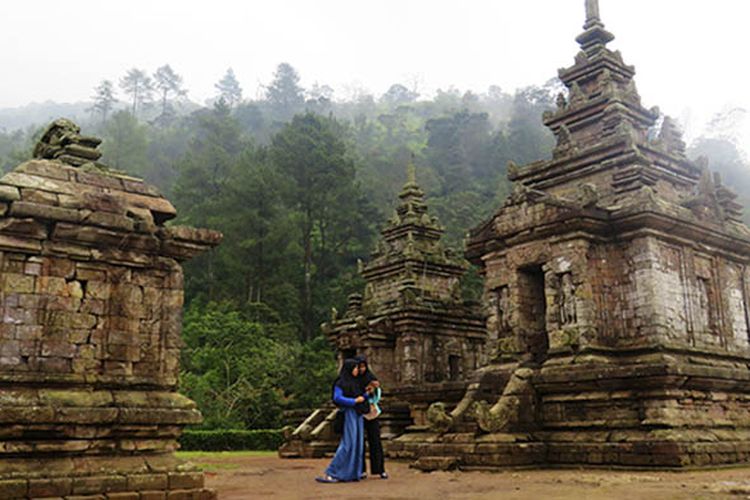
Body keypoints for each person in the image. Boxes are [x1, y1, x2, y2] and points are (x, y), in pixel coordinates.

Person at [316, 359, 367, 483]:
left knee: (358, 444)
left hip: (358, 413)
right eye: (355, 368)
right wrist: (354, 401)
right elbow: (337, 398)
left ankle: (353, 473)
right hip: (349, 413)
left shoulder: (355, 382)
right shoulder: (341, 382)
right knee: (348, 444)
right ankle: (332, 472)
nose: (357, 370)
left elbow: (361, 396)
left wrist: (367, 394)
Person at [355, 355, 388, 479]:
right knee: (360, 443)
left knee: (375, 441)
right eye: (360, 367)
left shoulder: (371, 378)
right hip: (359, 413)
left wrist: (374, 390)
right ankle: (361, 469)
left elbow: (377, 397)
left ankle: (380, 469)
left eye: (363, 366)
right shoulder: (354, 380)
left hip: (372, 412)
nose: (362, 369)